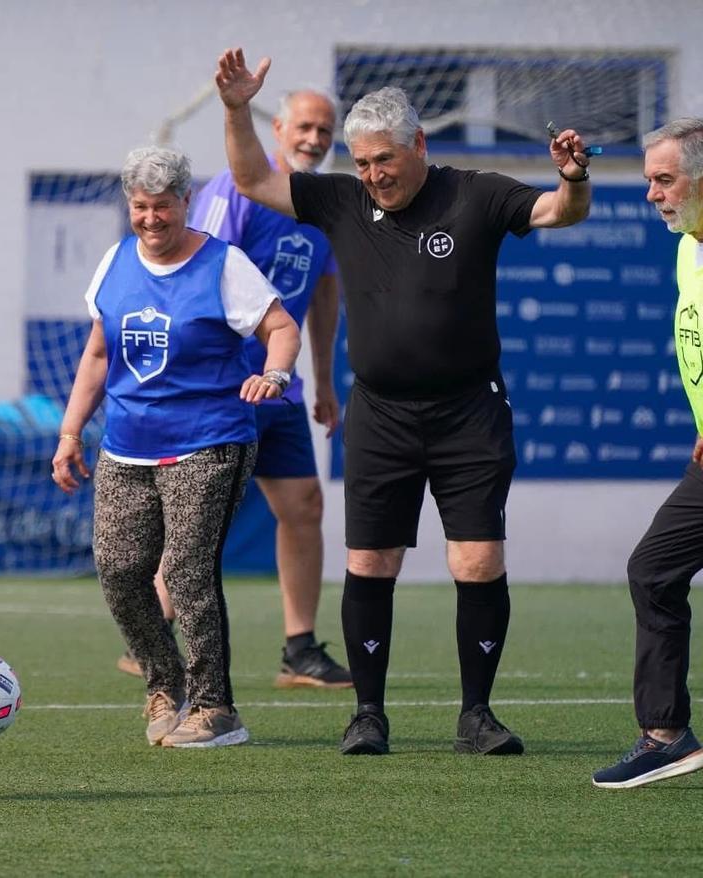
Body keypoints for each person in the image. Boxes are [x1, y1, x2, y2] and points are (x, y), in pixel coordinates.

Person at [215, 47, 592, 756]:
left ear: (418, 144)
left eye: (384, 160)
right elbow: (252, 178)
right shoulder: (342, 200)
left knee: (476, 561)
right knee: (370, 564)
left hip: (469, 413)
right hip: (381, 414)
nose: (372, 175)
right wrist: (236, 108)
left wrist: (574, 177)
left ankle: (476, 715)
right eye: (360, 163)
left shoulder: (476, 193)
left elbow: (557, 211)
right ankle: (367, 714)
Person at [52, 145, 301, 748]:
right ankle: (165, 685)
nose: (151, 218)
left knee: (187, 571)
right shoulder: (113, 262)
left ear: (186, 202)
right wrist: (68, 432)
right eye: (140, 207)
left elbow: (282, 327)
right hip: (126, 447)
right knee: (118, 570)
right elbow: (97, 353)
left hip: (209, 442)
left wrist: (275, 374)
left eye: (163, 206)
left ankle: (217, 709)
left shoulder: (224, 263)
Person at [116, 88, 349, 689]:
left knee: (304, 508)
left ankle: (299, 648)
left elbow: (324, 293)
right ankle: (153, 635)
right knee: (198, 521)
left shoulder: (320, 203)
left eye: (325, 131)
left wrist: (322, 379)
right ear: (278, 130)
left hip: (280, 387)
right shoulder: (235, 192)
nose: (314, 140)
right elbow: (196, 270)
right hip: (222, 389)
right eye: (304, 127)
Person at [592, 118, 703, 789]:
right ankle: (666, 734)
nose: (651, 195)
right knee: (654, 570)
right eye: (649, 181)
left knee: (653, 569)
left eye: (664, 179)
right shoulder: (689, 247)